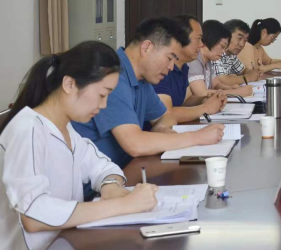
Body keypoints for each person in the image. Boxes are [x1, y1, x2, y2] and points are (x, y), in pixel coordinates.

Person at [0, 42, 160, 250]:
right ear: (69, 84)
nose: (104, 105)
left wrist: (111, 187)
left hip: (63, 241)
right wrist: (123, 205)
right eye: (102, 94)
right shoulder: (28, 130)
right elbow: (33, 216)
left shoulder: (65, 129)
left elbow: (102, 166)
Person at [73, 17, 225, 169]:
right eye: (169, 58)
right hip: (98, 179)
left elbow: (166, 116)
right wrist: (197, 137)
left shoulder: (142, 80)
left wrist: (161, 128)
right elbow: (135, 144)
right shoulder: (114, 76)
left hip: (124, 169)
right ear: (146, 48)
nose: (171, 67)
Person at [154, 15, 228, 123]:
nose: (201, 44)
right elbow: (165, 114)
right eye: (198, 39)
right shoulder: (162, 68)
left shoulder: (183, 67)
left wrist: (206, 98)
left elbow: (186, 101)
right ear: (180, 39)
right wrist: (206, 108)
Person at [188, 20, 253, 97]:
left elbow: (216, 85)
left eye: (225, 48)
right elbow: (201, 93)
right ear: (210, 39)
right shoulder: (194, 61)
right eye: (222, 46)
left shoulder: (208, 61)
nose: (223, 51)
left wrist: (230, 88)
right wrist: (236, 92)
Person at [213, 19, 263, 87]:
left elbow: (243, 71)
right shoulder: (216, 52)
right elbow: (222, 81)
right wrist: (249, 77)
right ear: (227, 36)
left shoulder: (231, 55)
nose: (242, 44)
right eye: (239, 38)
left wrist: (253, 72)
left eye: (245, 40)